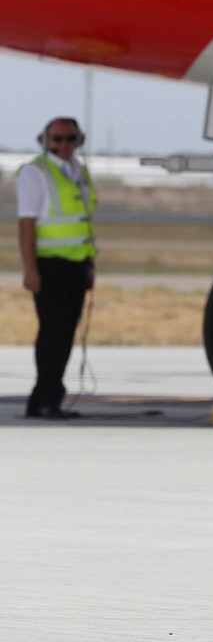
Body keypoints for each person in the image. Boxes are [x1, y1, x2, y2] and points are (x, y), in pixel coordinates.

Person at [17, 116, 97, 420]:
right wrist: (30, 269)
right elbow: (27, 224)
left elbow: (83, 222)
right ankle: (46, 398)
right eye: (57, 139)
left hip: (76, 265)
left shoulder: (79, 172)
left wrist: (89, 265)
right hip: (49, 265)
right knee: (52, 332)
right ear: (45, 140)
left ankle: (44, 399)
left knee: (65, 333)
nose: (64, 145)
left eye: (70, 139)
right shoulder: (35, 173)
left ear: (79, 141)